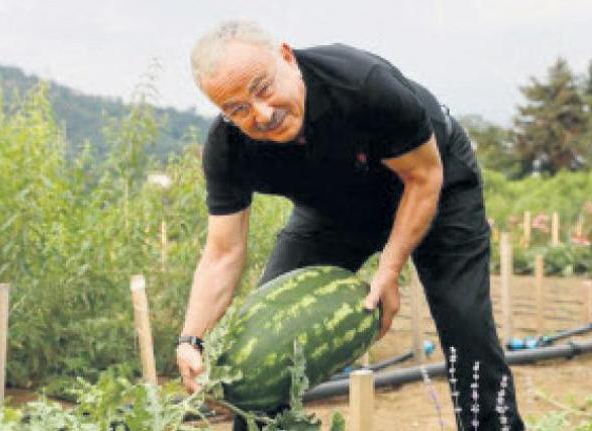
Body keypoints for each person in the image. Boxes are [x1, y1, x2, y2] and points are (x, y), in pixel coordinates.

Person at [176, 20, 526, 431]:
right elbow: (223, 253)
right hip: (333, 210)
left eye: (263, 88)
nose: (262, 114)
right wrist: (191, 339)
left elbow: (423, 179)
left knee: (465, 324)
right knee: (266, 341)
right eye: (237, 109)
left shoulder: (361, 87)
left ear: (287, 57)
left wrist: (389, 268)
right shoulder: (228, 149)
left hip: (433, 182)